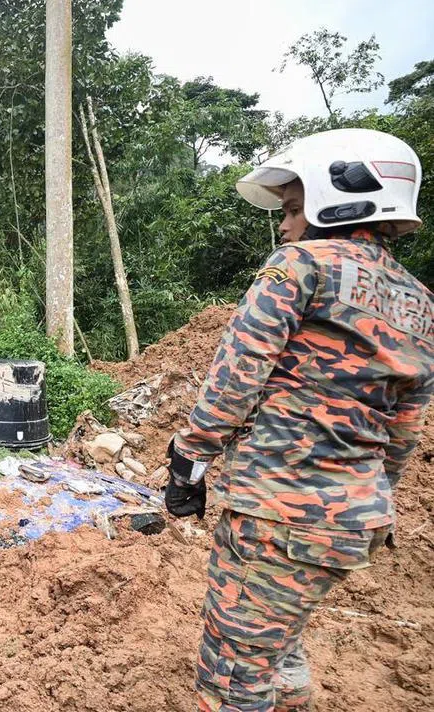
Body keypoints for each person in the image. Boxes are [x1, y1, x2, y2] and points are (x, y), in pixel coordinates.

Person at [164, 128, 434, 711]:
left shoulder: (299, 264)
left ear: (341, 198)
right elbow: (406, 427)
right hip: (354, 518)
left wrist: (189, 457)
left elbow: (239, 372)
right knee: (280, 649)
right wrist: (370, 493)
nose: (284, 225)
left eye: (291, 208)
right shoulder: (420, 302)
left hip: (277, 513)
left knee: (234, 682)